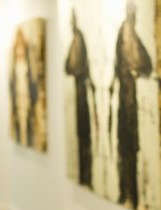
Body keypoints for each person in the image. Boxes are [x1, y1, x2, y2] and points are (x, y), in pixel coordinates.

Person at [114, 0, 153, 209]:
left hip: (125, 97)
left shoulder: (123, 31)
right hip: (128, 99)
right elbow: (145, 63)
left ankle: (126, 193)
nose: (136, 15)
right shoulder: (128, 32)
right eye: (134, 11)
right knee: (129, 145)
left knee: (125, 146)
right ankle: (130, 194)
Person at [65, 9, 94, 189]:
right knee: (81, 133)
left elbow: (72, 66)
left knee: (84, 133)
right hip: (79, 93)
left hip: (81, 94)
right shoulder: (76, 39)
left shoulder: (78, 39)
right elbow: (67, 66)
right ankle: (84, 174)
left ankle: (86, 173)